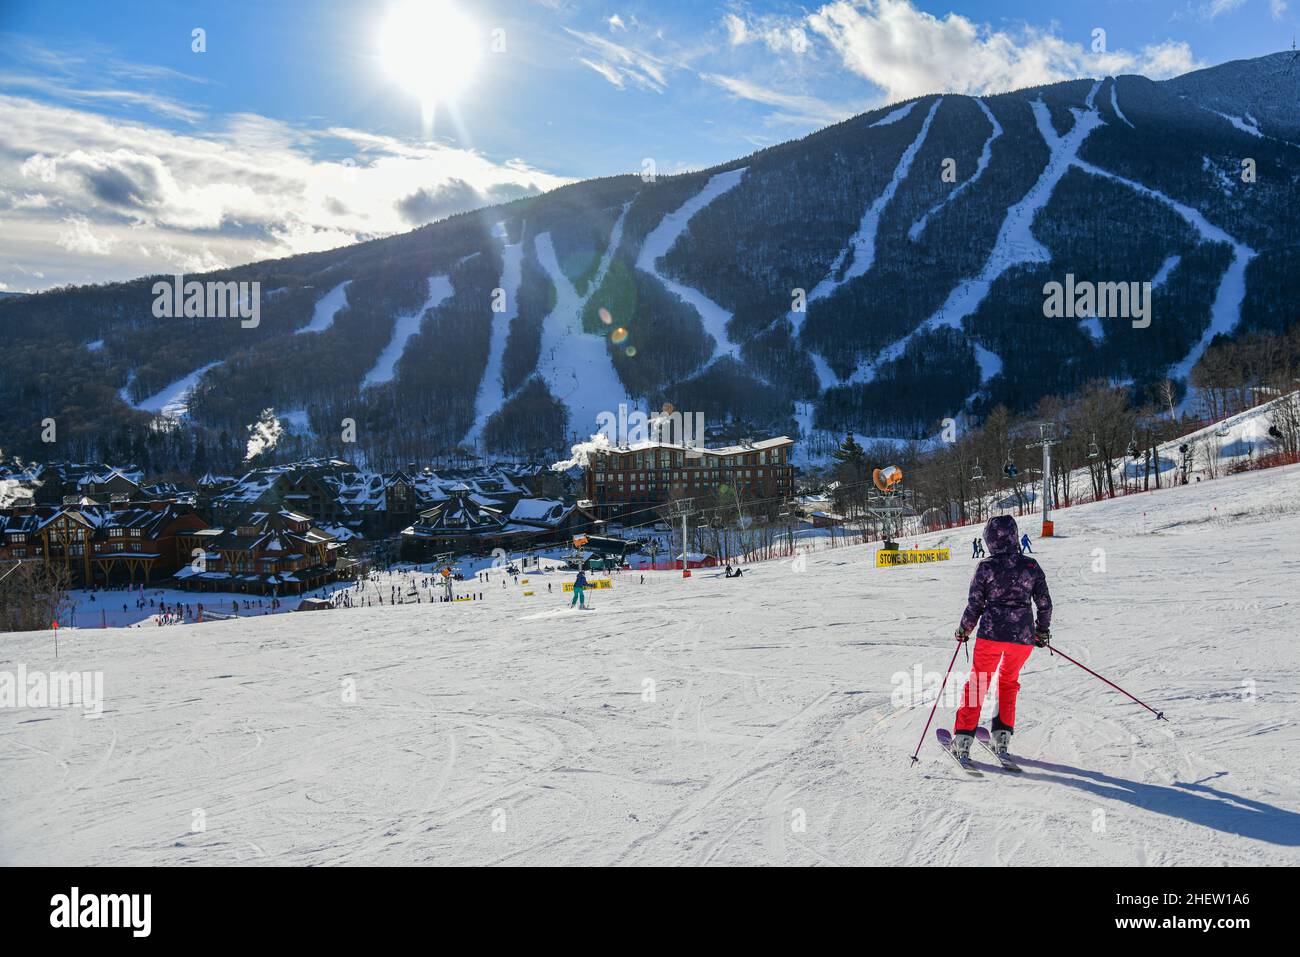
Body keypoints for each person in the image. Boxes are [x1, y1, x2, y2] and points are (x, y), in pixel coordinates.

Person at [950, 515, 1052, 766]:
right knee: (1008, 682)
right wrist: (1042, 630)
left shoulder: (987, 567)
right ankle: (1002, 737)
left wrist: (964, 629)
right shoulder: (1031, 566)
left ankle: (963, 739)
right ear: (1015, 536)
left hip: (992, 635)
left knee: (978, 683)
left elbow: (975, 604)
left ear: (990, 540)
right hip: (1022, 636)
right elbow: (1044, 603)